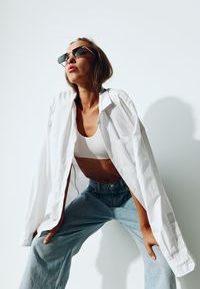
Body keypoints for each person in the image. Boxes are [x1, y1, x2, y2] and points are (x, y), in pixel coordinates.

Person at [19, 37, 195, 289]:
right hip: (94, 196)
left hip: (128, 195)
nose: (70, 59)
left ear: (97, 60)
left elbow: (137, 165)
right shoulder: (60, 107)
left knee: (161, 251)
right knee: (44, 244)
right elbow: (58, 165)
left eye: (79, 52)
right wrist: (56, 217)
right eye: (65, 56)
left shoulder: (117, 102)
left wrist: (145, 224)